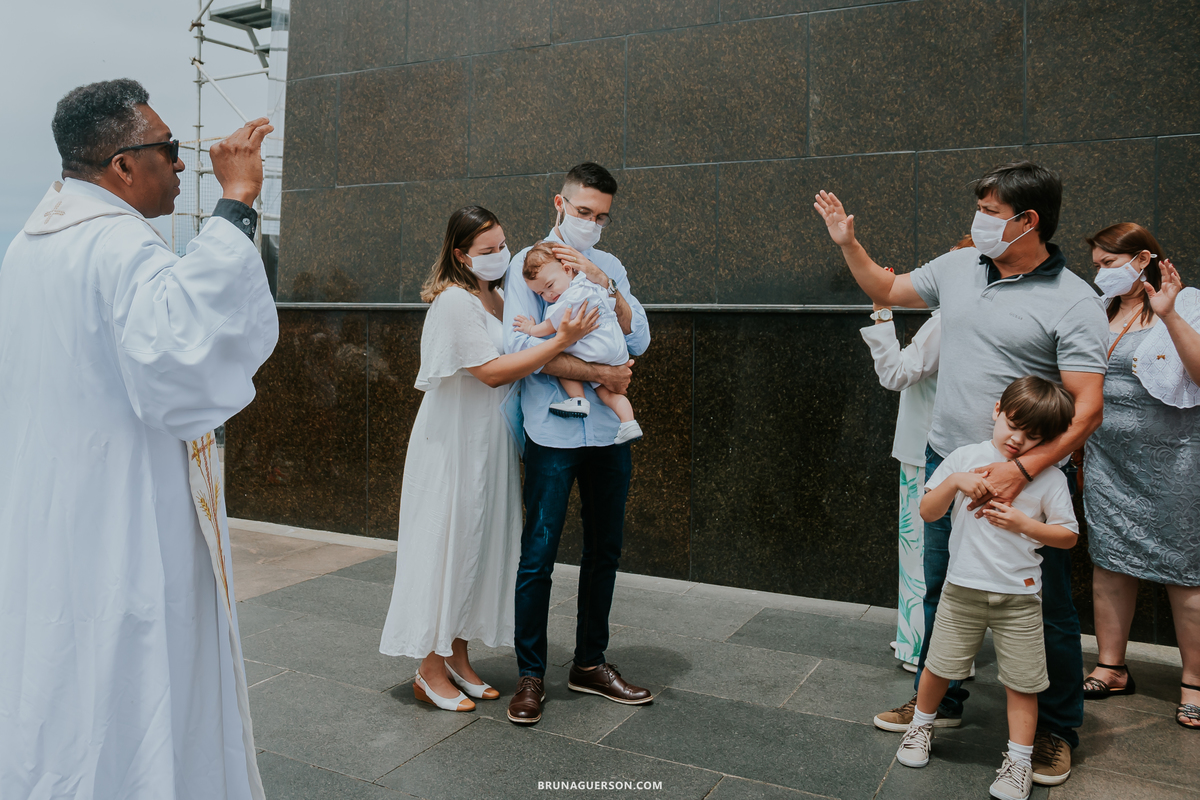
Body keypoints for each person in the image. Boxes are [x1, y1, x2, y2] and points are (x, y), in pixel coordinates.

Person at [0, 80, 277, 798]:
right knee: (133, 679)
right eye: (171, 151)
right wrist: (238, 202)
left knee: (60, 678)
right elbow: (186, 364)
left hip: (49, 506)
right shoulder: (119, 245)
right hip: (122, 512)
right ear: (124, 166)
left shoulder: (29, 243)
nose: (184, 166)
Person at [814, 160, 1109, 786]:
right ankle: (938, 703)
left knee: (1045, 609)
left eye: (992, 213)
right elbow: (888, 290)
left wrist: (1022, 468)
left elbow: (1087, 410)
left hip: (1026, 481)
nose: (979, 222)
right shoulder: (956, 269)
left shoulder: (1075, 299)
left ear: (1028, 221)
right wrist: (849, 244)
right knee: (943, 592)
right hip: (949, 464)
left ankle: (1056, 729)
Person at [378, 207, 599, 712]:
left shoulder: (497, 298)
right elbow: (493, 371)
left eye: (502, 245)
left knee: (475, 545)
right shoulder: (455, 303)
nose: (500, 255)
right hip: (454, 444)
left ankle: (457, 656)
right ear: (460, 255)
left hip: (491, 440)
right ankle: (428, 669)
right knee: (446, 543)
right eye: (487, 250)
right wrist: (562, 339)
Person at [502, 162, 653, 725]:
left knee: (605, 549)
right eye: (583, 212)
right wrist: (602, 377)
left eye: (602, 216)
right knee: (539, 551)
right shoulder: (528, 264)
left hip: (608, 432)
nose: (592, 223)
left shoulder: (606, 265)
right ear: (559, 204)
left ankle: (589, 663)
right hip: (553, 429)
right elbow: (520, 346)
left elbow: (638, 336)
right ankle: (530, 674)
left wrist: (604, 281)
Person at [896, 377, 1079, 800]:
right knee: (939, 666)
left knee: (1023, 682)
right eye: (1013, 425)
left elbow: (1068, 536)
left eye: (1034, 437)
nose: (1018, 440)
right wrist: (956, 482)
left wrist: (1025, 525)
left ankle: (1018, 760)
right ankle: (920, 727)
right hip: (962, 589)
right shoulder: (965, 457)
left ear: (1050, 440)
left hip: (1019, 596)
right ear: (997, 410)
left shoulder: (1048, 477)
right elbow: (927, 510)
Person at [1078, 223, 1200, 730]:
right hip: (1107, 456)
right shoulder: (1097, 311)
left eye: (1108, 263)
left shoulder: (1187, 302)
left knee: (1184, 569)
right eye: (1097, 265)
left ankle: (1193, 680)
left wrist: (1168, 315)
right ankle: (1112, 666)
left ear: (1143, 257)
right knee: (1109, 563)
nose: (1099, 273)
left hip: (1175, 458)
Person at [861, 302, 941, 672]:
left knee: (921, 553)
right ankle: (918, 641)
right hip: (936, 450)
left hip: (926, 452)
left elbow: (894, 374)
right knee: (926, 553)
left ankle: (922, 648)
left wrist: (882, 315)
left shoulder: (943, 324)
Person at [514, 241, 642, 445]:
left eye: (549, 286)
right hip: (616, 349)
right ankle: (628, 423)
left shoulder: (569, 298)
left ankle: (578, 400)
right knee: (608, 394)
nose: (549, 296)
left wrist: (530, 329)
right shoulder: (591, 284)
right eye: (541, 294)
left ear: (567, 269)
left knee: (560, 353)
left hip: (596, 348)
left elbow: (549, 326)